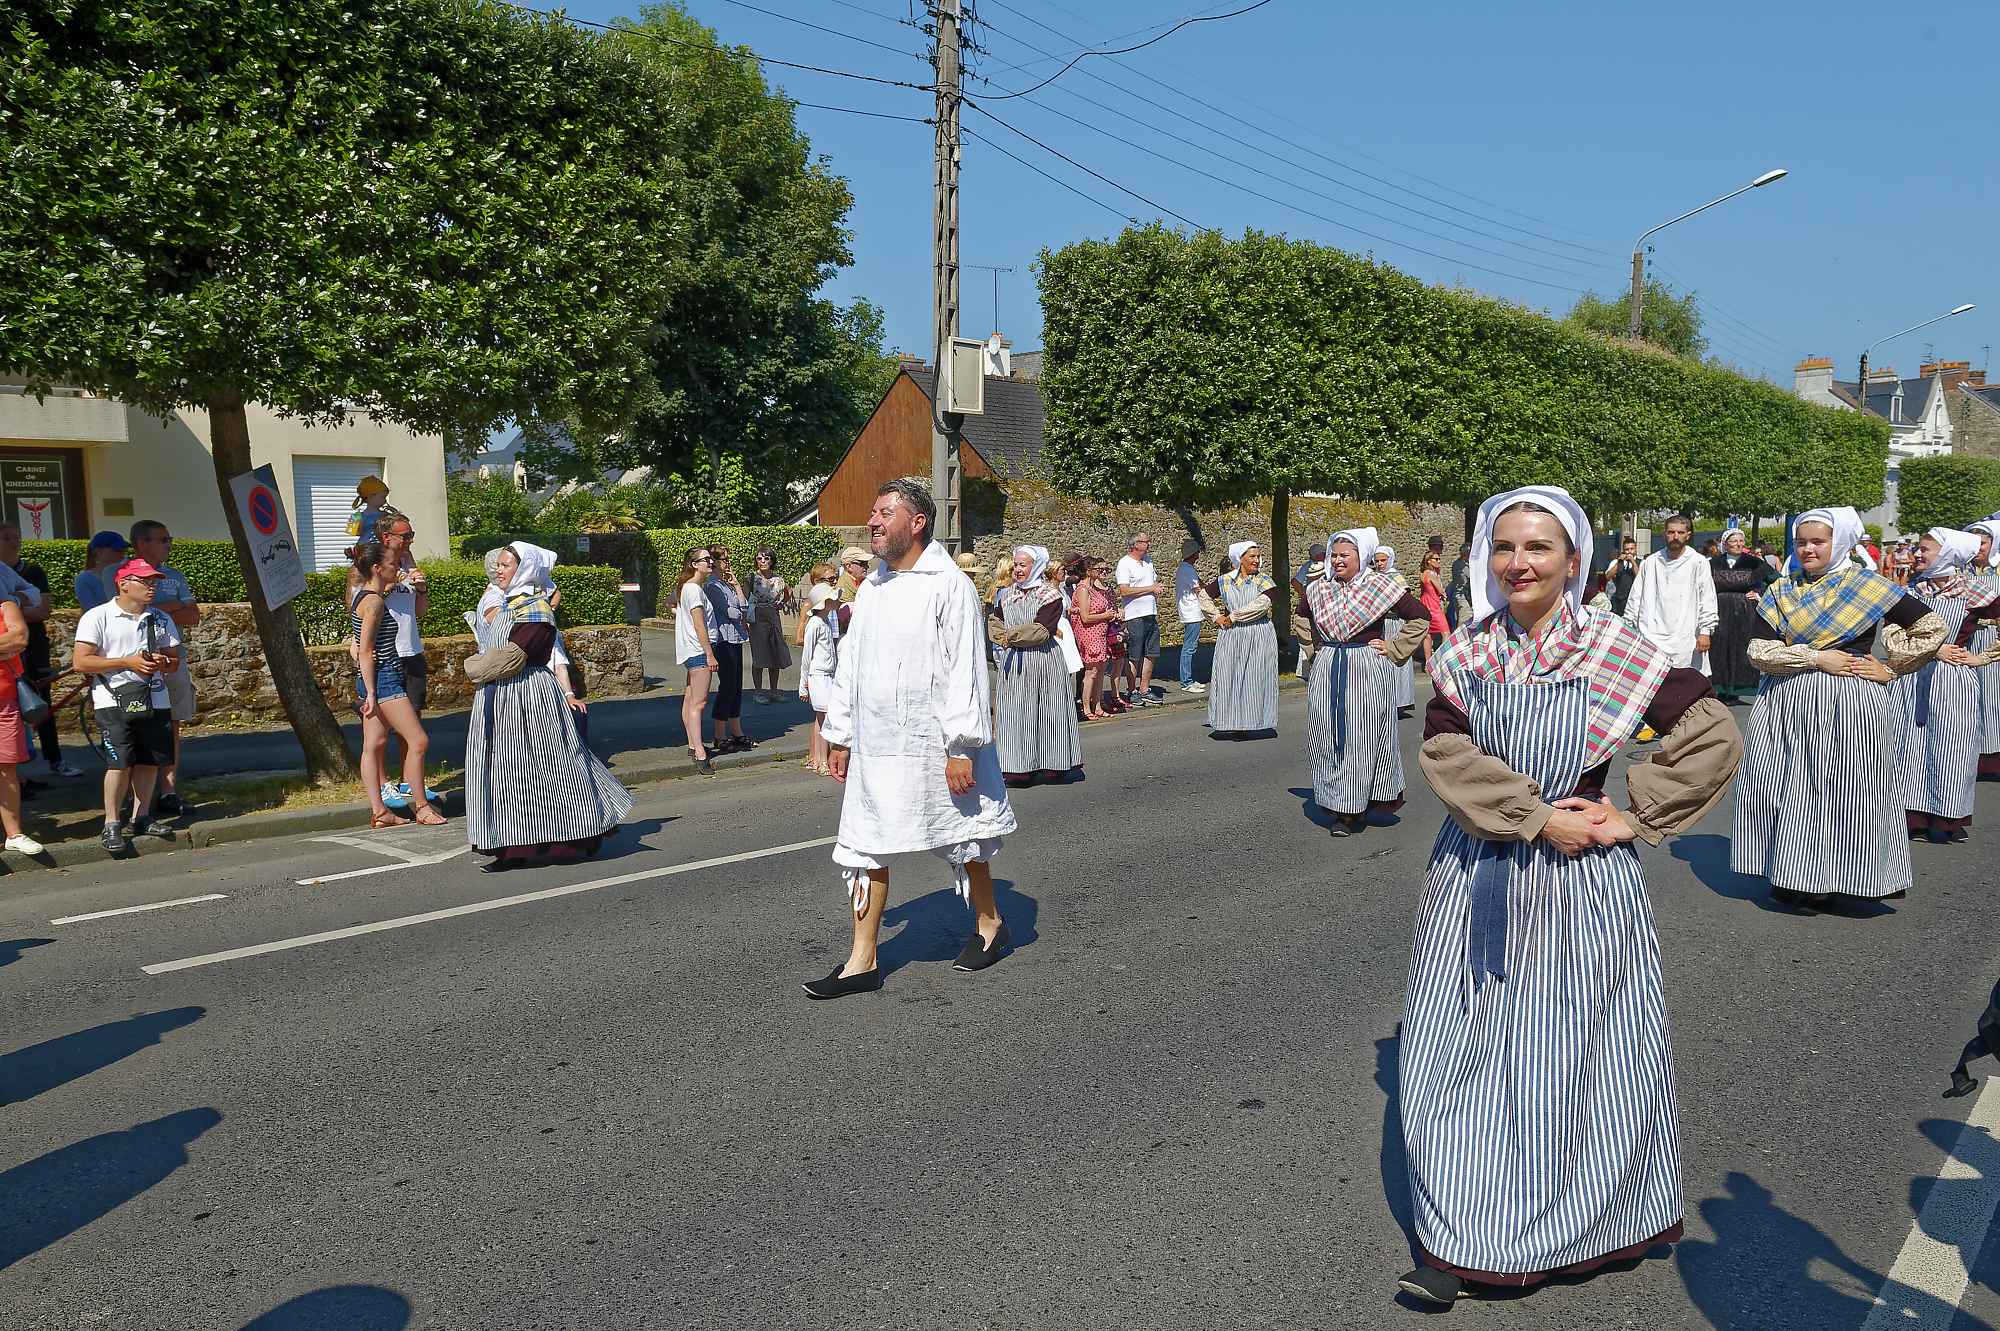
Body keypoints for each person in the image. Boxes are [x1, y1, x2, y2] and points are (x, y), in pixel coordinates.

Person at [1398, 485, 1741, 1307]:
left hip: (1584, 879)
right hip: (1482, 869)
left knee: (1579, 1051)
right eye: (1506, 547)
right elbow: (1446, 753)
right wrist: (1533, 816)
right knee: (1457, 1049)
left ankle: (1594, 1218)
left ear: (1572, 560)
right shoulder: (1470, 653)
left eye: (1538, 548)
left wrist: (1633, 811)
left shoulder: (1616, 647)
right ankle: (1463, 1236)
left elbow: (1714, 736)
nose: (1520, 562)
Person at [804, 480, 1017, 999]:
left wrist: (960, 748)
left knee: (962, 836)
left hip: (934, 745)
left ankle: (989, 924)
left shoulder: (949, 585)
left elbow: (964, 670)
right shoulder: (873, 587)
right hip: (878, 747)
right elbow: (853, 668)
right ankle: (862, 958)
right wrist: (840, 735)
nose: (872, 521)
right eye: (872, 512)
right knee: (864, 843)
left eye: (884, 513)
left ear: (917, 521)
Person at [1730, 507, 1943, 908]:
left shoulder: (1869, 586)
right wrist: (1814, 658)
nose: (1807, 549)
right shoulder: (1781, 590)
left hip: (1850, 702)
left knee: (1846, 791)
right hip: (1785, 701)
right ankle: (1795, 873)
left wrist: (1893, 668)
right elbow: (1759, 650)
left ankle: (1849, 874)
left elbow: (1931, 628)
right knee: (1785, 787)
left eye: (1817, 541)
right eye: (1801, 541)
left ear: (1839, 543)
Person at [465, 542, 632, 870]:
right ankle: (511, 845)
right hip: (496, 698)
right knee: (504, 774)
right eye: (497, 564)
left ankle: (566, 837)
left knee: (545, 767)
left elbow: (511, 658)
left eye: (505, 565)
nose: (498, 570)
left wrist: (474, 667)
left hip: (529, 695)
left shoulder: (536, 610)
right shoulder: (505, 602)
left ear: (525, 569)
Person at [1304, 527, 1427, 836]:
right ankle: (1338, 800)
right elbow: (1300, 617)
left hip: (1365, 668)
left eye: (1345, 555)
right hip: (1329, 664)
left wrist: (1394, 647)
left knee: (1362, 736)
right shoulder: (1320, 588)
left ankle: (1350, 810)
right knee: (1328, 735)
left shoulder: (1381, 587)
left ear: (1364, 557)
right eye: (1334, 555)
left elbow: (1420, 616)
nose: (1337, 560)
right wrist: (1314, 649)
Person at [1891, 528, 2000, 843]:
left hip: (1953, 680)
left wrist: (1981, 658)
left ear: (1950, 553)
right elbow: (1893, 635)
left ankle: (1947, 817)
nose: (1917, 555)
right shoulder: (1912, 591)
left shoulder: (1976, 593)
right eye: (1918, 549)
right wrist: (1932, 649)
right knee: (1908, 746)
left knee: (1952, 747)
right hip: (1911, 676)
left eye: (1925, 550)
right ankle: (1910, 816)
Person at [72, 558, 184, 855]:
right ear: (123, 583)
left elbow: (174, 662)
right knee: (120, 763)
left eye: (154, 582)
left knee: (149, 760)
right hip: (113, 700)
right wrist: (126, 662)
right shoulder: (98, 616)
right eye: (145, 581)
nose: (152, 587)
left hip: (154, 698)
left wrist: (163, 662)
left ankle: (142, 815)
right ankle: (111, 823)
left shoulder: (160, 618)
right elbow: (81, 661)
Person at [345, 542, 445, 830]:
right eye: (392, 563)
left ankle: (380, 812)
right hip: (384, 679)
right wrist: (373, 692)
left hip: (374, 679)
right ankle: (422, 808)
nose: (397, 567)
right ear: (377, 568)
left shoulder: (363, 596)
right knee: (418, 741)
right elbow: (364, 650)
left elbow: (362, 647)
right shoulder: (374, 602)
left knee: (373, 745)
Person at [990, 546, 1083, 786]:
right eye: (1016, 564)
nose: (1018, 569)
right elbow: (994, 623)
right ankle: (1017, 766)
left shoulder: (1050, 596)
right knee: (1015, 712)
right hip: (1015, 662)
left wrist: (1009, 636)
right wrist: (1006, 635)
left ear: (1037, 566)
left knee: (1047, 711)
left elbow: (1041, 631)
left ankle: (1053, 762)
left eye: (1023, 565)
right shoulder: (1006, 595)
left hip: (1042, 661)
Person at [0, 522, 77, 782]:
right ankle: (18, 776)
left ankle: (54, 760)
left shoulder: (31, 571)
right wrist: (19, 605)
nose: (14, 542)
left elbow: (42, 608)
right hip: (9, 652)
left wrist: (13, 604)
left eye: (17, 537)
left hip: (32, 647)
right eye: (7, 538)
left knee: (38, 703)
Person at [368, 511, 435, 811]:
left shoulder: (409, 562)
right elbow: (362, 601)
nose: (410, 540)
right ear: (387, 538)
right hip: (386, 654)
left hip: (412, 650)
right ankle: (383, 784)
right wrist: (395, 582)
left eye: (411, 535)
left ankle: (411, 780)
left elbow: (419, 611)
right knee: (380, 729)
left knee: (414, 718)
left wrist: (421, 589)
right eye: (405, 535)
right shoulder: (372, 564)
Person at [1625, 514, 1718, 676]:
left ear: (1688, 535)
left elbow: (1707, 598)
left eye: (1680, 533)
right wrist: (1628, 628)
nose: (1675, 537)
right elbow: (1635, 598)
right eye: (1671, 532)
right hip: (1651, 635)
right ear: (1664, 534)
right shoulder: (1651, 562)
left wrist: (1705, 631)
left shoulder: (1698, 562)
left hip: (1686, 636)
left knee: (1685, 686)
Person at [1207, 540, 1278, 738]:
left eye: (1258, 556)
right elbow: (1203, 597)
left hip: (1258, 633)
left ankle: (1251, 720)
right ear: (1240, 559)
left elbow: (1261, 605)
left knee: (1254, 678)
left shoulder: (1264, 581)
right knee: (1231, 676)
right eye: (1252, 556)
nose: (1257, 560)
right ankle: (1232, 722)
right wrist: (1216, 616)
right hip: (1232, 635)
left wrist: (1233, 616)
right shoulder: (1225, 580)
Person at [1707, 529, 1778, 704]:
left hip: (1744, 610)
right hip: (1719, 609)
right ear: (1725, 544)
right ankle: (1719, 688)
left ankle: (1736, 690)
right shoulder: (1713, 563)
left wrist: (1759, 592)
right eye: (1734, 541)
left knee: (1740, 648)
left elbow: (1776, 580)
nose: (1738, 544)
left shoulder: (1753, 562)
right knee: (1719, 647)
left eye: (1741, 541)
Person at [0, 578, 39, 855]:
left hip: (5, 702)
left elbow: (19, 638)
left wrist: (10, 644)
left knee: (7, 769)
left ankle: (14, 835)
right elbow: (9, 641)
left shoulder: (6, 606)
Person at [675, 547, 718, 776]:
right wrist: (709, 653)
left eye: (711, 559)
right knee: (699, 703)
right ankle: (700, 752)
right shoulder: (693, 589)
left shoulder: (690, 588)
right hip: (699, 651)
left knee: (691, 698)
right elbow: (699, 624)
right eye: (706, 559)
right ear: (694, 564)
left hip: (692, 651)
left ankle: (693, 745)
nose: (710, 562)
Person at [704, 549, 752, 754]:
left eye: (728, 558)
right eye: (723, 559)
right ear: (714, 561)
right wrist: (740, 610)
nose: (727, 562)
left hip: (735, 638)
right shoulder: (712, 586)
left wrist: (737, 586)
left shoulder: (726, 584)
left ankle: (736, 730)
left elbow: (744, 608)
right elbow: (733, 612)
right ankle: (719, 734)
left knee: (736, 685)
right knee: (728, 686)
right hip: (723, 639)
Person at [1114, 532, 1167, 706]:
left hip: (1150, 612)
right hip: (1134, 615)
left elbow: (1153, 585)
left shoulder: (1149, 561)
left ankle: (1145, 689)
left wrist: (1156, 589)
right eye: (1145, 541)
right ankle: (1132, 690)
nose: (1148, 544)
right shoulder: (1125, 563)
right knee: (1134, 655)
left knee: (1151, 653)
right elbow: (1124, 591)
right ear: (1135, 544)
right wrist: (1151, 588)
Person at [1969, 519, 2000, 780]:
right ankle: (1974, 757)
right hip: (1968, 640)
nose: (1979, 548)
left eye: (1983, 543)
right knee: (1973, 700)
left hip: (1994, 639)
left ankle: (1994, 759)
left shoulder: (1997, 573)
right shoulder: (1960, 573)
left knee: (1993, 697)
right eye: (1975, 543)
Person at [801, 583, 840, 775]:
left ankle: (818, 758)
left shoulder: (824, 623)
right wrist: (803, 685)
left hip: (828, 675)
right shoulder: (815, 624)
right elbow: (806, 657)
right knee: (825, 718)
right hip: (818, 676)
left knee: (821, 718)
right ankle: (823, 760)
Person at [1374, 547, 1418, 716]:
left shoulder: (1395, 576)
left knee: (1396, 656)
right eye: (1377, 560)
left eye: (1382, 560)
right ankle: (1384, 699)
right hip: (1380, 623)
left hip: (1393, 622)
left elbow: (1403, 598)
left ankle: (1400, 700)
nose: (1379, 564)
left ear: (1389, 560)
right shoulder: (1375, 576)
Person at [746, 548, 793, 704]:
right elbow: (743, 598)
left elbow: (788, 592)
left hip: (773, 617)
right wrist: (745, 618)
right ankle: (758, 691)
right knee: (759, 655)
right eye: (759, 558)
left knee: (775, 653)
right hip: (757, 618)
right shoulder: (751, 577)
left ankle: (774, 690)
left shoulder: (779, 579)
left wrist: (780, 604)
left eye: (766, 558)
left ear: (772, 560)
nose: (763, 561)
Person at [1174, 538, 1207, 694]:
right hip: (1191, 612)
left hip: (1191, 612)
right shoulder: (1187, 569)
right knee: (1189, 647)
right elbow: (1199, 588)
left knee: (1190, 647)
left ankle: (1189, 679)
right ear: (1194, 554)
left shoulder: (1186, 568)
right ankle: (1186, 681)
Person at [1290, 543, 1327, 682]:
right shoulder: (1309, 566)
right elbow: (1295, 581)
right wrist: (1304, 595)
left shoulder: (1329, 564)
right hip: (1312, 607)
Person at [74, 530, 129, 610]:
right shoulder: (84, 579)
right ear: (98, 551)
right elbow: (91, 609)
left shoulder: (129, 575)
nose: (121, 553)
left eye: (123, 549)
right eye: (116, 549)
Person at [1417, 546, 1449, 667]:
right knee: (1445, 632)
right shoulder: (1431, 574)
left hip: (1425, 603)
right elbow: (1440, 590)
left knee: (1427, 634)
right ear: (1429, 561)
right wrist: (1444, 595)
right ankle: (1443, 660)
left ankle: (1427, 663)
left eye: (1439, 559)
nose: (1438, 561)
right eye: (1436, 559)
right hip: (1433, 606)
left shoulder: (1423, 574)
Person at [345, 474, 394, 549]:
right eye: (383, 497)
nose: (385, 500)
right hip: (365, 549)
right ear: (371, 496)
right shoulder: (357, 516)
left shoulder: (385, 515)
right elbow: (352, 531)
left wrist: (395, 515)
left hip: (382, 548)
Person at [1606, 536, 1642, 617]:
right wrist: (1619, 562)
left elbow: (1639, 578)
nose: (1629, 552)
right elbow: (1608, 577)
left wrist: (1633, 562)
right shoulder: (1617, 562)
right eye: (1627, 549)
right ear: (1623, 550)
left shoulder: (1642, 562)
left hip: (1635, 602)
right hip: (1619, 602)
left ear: (1636, 549)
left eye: (1631, 549)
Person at [1447, 543, 1473, 631]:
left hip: (1467, 597)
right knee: (1464, 620)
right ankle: (1458, 642)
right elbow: (1468, 579)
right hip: (1462, 598)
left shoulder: (1465, 564)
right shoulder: (1459, 565)